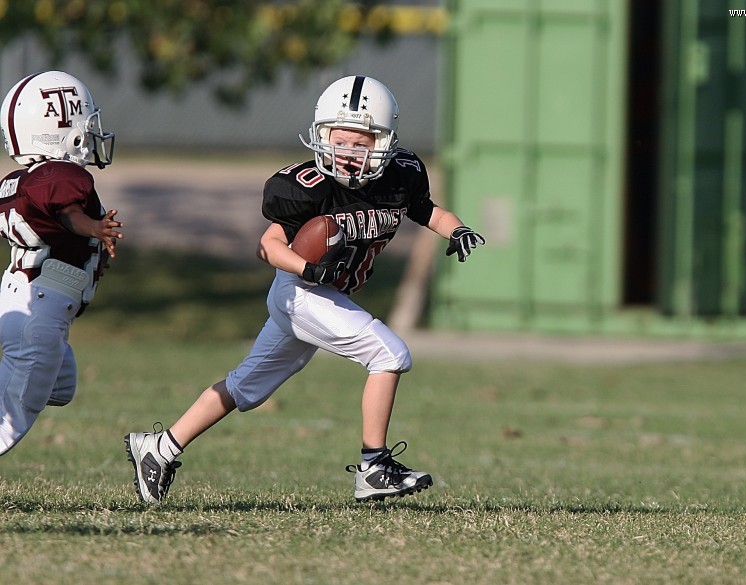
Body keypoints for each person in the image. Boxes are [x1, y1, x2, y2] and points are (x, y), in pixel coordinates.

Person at [124, 75, 484, 504]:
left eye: (361, 143)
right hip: (300, 291)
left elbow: (427, 210)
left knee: (245, 388)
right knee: (389, 354)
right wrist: (308, 267)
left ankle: (159, 448)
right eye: (340, 140)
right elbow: (268, 246)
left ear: (384, 143)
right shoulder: (305, 187)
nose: (348, 154)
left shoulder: (400, 176)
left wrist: (455, 229)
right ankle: (373, 467)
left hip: (317, 296)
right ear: (321, 136)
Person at [0, 71, 122, 455]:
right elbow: (68, 213)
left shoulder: (27, 179)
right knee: (15, 409)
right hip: (42, 306)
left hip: (26, 298)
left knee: (60, 384)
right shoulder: (59, 175)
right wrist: (95, 227)